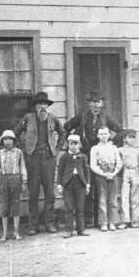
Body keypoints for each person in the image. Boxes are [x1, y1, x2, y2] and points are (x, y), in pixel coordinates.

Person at [64, 92, 121, 227]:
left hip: (101, 156)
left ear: (102, 104)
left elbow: (120, 130)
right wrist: (76, 141)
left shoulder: (106, 117)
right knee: (87, 185)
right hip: (85, 156)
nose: (96, 105)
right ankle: (89, 219)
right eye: (93, 102)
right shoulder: (83, 117)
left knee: (101, 187)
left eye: (99, 102)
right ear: (89, 103)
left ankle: (100, 219)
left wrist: (111, 143)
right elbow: (66, 127)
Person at [14, 91, 66, 235]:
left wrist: (57, 149)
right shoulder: (27, 118)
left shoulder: (53, 119)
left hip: (49, 159)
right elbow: (15, 133)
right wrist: (24, 150)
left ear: (47, 106)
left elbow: (63, 134)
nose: (42, 107)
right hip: (33, 160)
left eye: (44, 104)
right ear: (35, 106)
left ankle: (49, 223)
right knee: (34, 193)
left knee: (50, 192)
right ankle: (33, 226)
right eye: (39, 104)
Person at [55, 134, 91, 238]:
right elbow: (60, 172)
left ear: (79, 144)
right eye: (71, 144)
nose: (74, 146)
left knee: (80, 207)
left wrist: (87, 184)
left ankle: (81, 229)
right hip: (68, 184)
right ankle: (69, 230)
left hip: (80, 184)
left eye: (76, 144)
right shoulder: (64, 157)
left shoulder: (83, 156)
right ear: (68, 144)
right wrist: (59, 185)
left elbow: (87, 171)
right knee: (69, 207)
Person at [0, 130, 27, 241]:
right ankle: (4, 234)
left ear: (13, 141)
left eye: (10, 139)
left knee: (15, 206)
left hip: (15, 179)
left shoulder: (18, 152)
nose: (7, 141)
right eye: (5, 139)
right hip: (3, 180)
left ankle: (16, 232)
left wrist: (24, 181)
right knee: (4, 207)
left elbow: (22, 166)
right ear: (2, 141)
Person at [89, 126, 122, 231]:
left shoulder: (113, 148)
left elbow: (119, 162)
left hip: (113, 174)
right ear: (98, 136)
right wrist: (103, 174)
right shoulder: (95, 149)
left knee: (113, 199)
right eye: (101, 134)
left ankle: (112, 222)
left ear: (109, 135)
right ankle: (103, 222)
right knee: (102, 199)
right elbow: (93, 165)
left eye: (105, 134)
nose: (104, 136)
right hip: (101, 175)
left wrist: (114, 172)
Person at [117, 129, 139, 228]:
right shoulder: (120, 150)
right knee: (124, 196)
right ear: (125, 139)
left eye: (134, 137)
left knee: (135, 197)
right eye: (130, 137)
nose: (132, 139)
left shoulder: (137, 151)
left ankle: (135, 220)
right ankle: (125, 220)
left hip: (135, 172)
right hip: (125, 172)